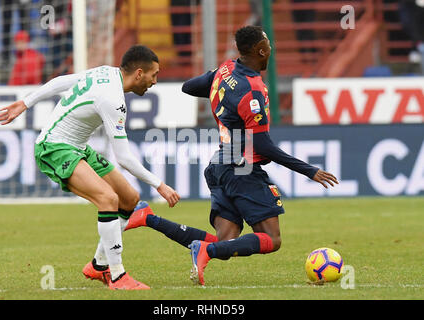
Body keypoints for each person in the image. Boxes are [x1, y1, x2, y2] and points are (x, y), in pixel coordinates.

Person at [123, 26, 339, 286]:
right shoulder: (252, 91)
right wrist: (309, 171)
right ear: (261, 50)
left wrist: (220, 84)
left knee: (225, 241)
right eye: (268, 42)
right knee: (272, 240)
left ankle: (149, 217)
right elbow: (263, 146)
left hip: (220, 166)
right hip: (241, 168)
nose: (271, 46)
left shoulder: (226, 70)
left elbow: (189, 87)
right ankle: (205, 252)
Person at [0, 45, 181, 290]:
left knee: (129, 198)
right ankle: (117, 275)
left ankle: (98, 265)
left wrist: (26, 103)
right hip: (54, 148)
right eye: (154, 75)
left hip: (78, 147)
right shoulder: (113, 100)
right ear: (139, 73)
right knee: (108, 199)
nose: (155, 81)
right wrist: (160, 185)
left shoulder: (105, 72)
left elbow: (59, 82)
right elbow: (124, 158)